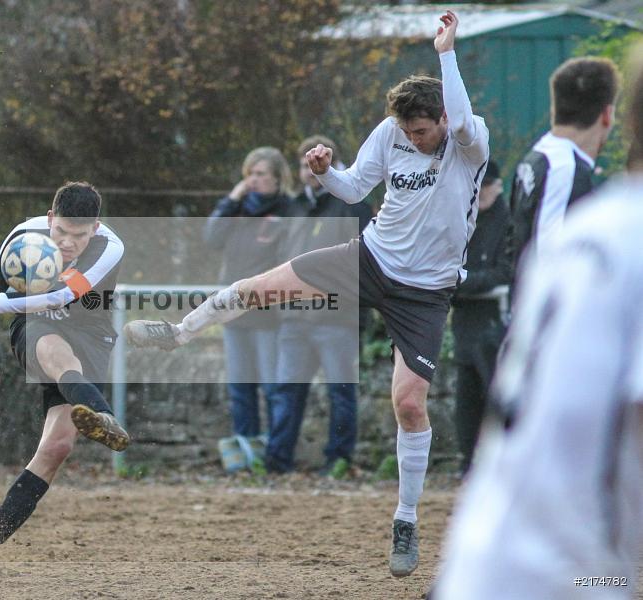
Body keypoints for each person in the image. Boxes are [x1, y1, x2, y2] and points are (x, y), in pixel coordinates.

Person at [125, 11, 488, 577]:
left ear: (442, 116)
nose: (414, 141)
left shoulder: (469, 140)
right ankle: (178, 332)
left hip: (425, 291)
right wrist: (324, 171)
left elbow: (460, 118)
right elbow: (351, 188)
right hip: (369, 258)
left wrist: (446, 53)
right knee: (262, 288)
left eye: (422, 132)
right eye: (408, 134)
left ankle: (406, 519)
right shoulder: (390, 133)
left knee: (409, 404)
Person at [433, 46, 643, 600]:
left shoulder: (548, 166)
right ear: (607, 114)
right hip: (562, 569)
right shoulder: (587, 195)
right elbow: (555, 258)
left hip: (507, 549)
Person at [0, 181, 129, 574]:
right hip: (38, 327)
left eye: (79, 235)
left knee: (56, 449)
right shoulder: (23, 236)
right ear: (50, 219)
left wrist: (0, 303)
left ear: (96, 228)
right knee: (54, 350)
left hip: (92, 335)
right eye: (61, 231)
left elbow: (62, 296)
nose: (68, 243)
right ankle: (103, 415)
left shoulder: (110, 247)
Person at [265, 135, 372, 475]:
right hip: (294, 318)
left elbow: (363, 260)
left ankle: (338, 462)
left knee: (340, 392)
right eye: (302, 163)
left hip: (337, 318)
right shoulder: (294, 207)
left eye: (315, 160)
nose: (308, 169)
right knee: (286, 392)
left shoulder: (352, 204)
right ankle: (276, 462)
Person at [203, 147, 292, 439]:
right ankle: (247, 447)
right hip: (233, 311)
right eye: (250, 173)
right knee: (240, 387)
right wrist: (230, 200)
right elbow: (211, 238)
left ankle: (276, 452)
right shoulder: (236, 209)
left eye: (261, 174)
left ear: (278, 178)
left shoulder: (288, 209)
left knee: (272, 386)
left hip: (268, 313)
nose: (253, 180)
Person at [511, 56, 619, 272]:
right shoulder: (563, 168)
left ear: (555, 109)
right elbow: (550, 261)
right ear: (607, 115)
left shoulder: (538, 156)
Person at [449, 160, 511, 474]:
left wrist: (463, 282)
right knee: (466, 400)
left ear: (498, 186)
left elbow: (506, 272)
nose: (480, 193)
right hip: (465, 324)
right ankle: (467, 461)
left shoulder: (508, 222)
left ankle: (497, 464)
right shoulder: (464, 219)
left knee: (494, 394)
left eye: (486, 187)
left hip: (494, 325)